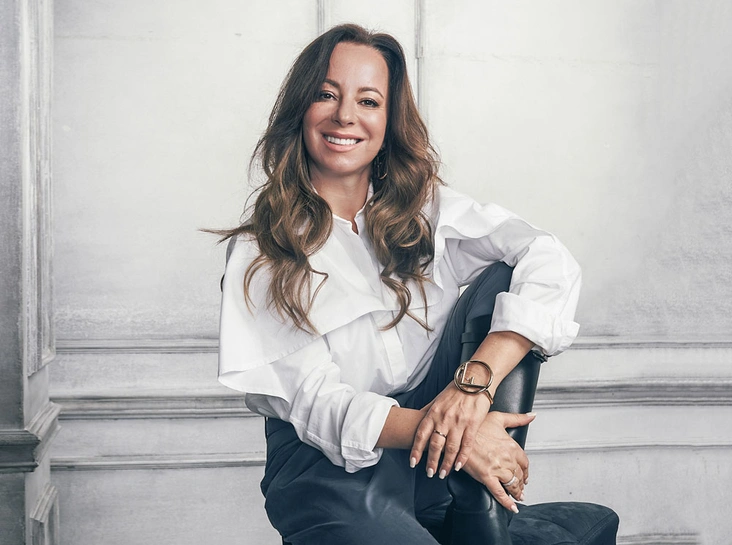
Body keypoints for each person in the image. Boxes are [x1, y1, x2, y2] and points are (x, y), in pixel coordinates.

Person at [217, 24, 618, 545]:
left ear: (388, 122)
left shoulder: (424, 210)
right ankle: (476, 487)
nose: (345, 116)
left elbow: (547, 257)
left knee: (505, 271)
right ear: (301, 108)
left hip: (432, 454)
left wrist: (473, 387)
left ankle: (481, 514)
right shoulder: (263, 250)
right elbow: (318, 405)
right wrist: (462, 436)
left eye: (368, 101)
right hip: (327, 473)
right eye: (327, 95)